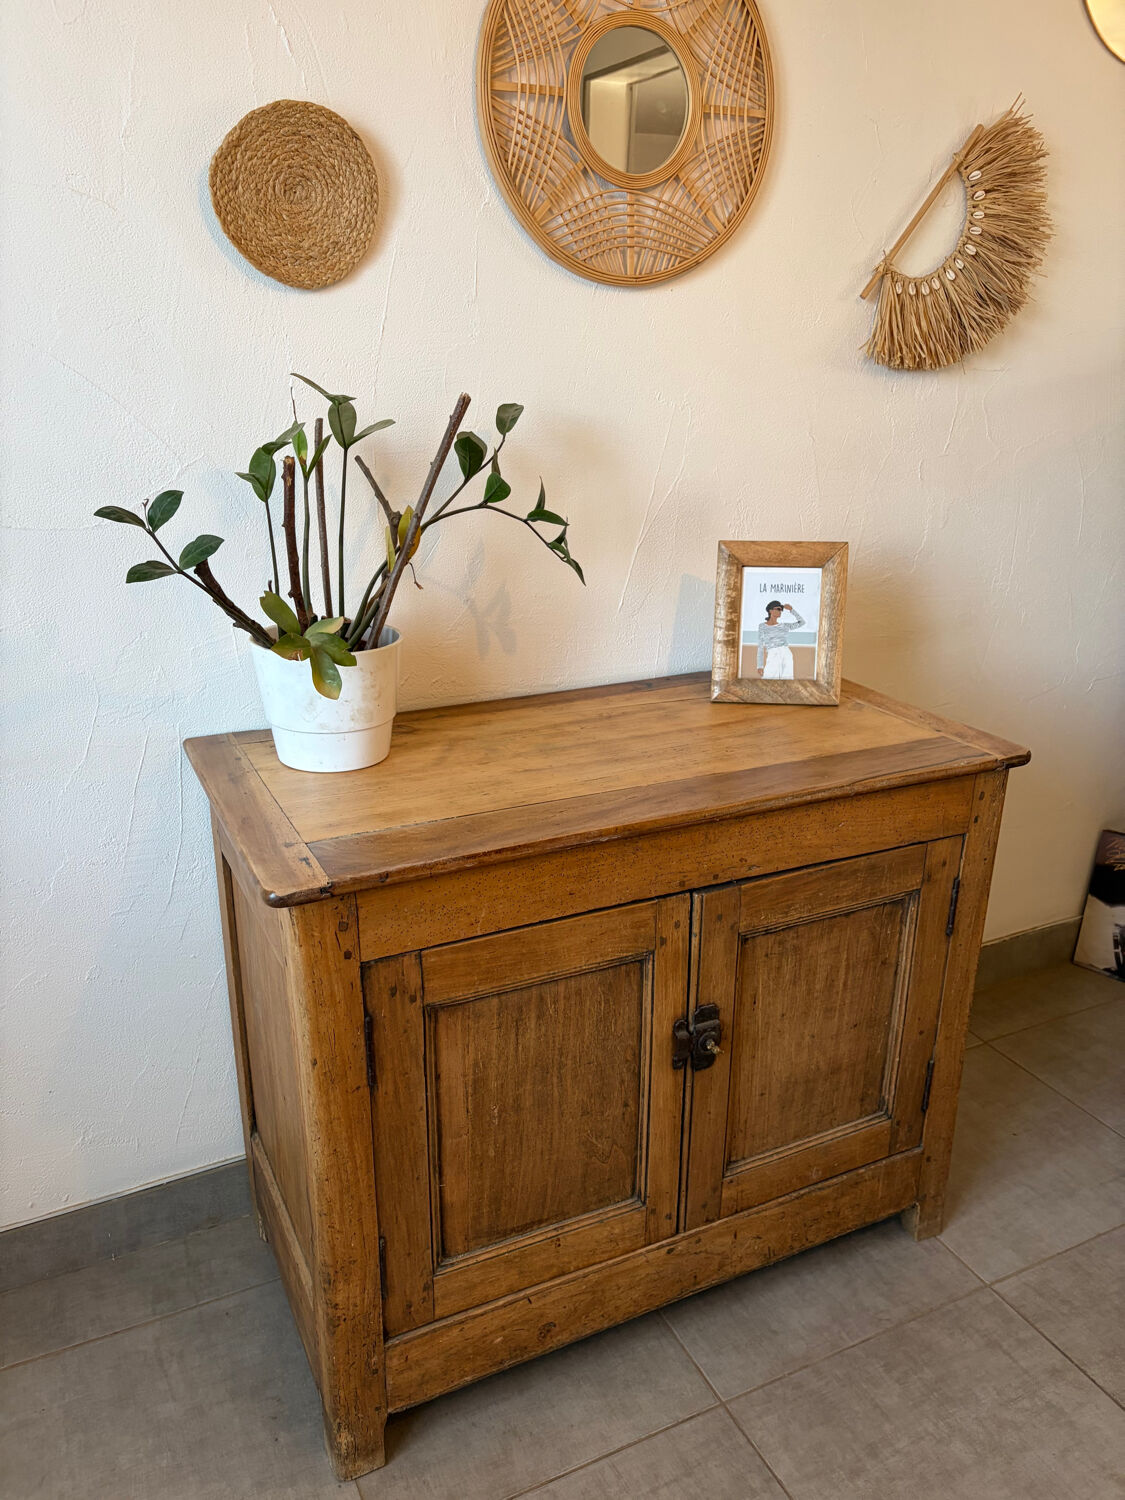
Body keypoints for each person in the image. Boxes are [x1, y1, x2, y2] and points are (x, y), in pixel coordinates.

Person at [757, 600, 805, 679]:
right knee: (769, 680)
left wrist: (791, 610)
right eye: (778, 609)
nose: (780, 611)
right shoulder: (762, 626)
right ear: (770, 610)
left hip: (786, 653)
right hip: (773, 653)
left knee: (787, 681)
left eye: (781, 610)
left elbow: (802, 622)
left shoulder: (784, 626)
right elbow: (760, 647)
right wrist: (760, 665)